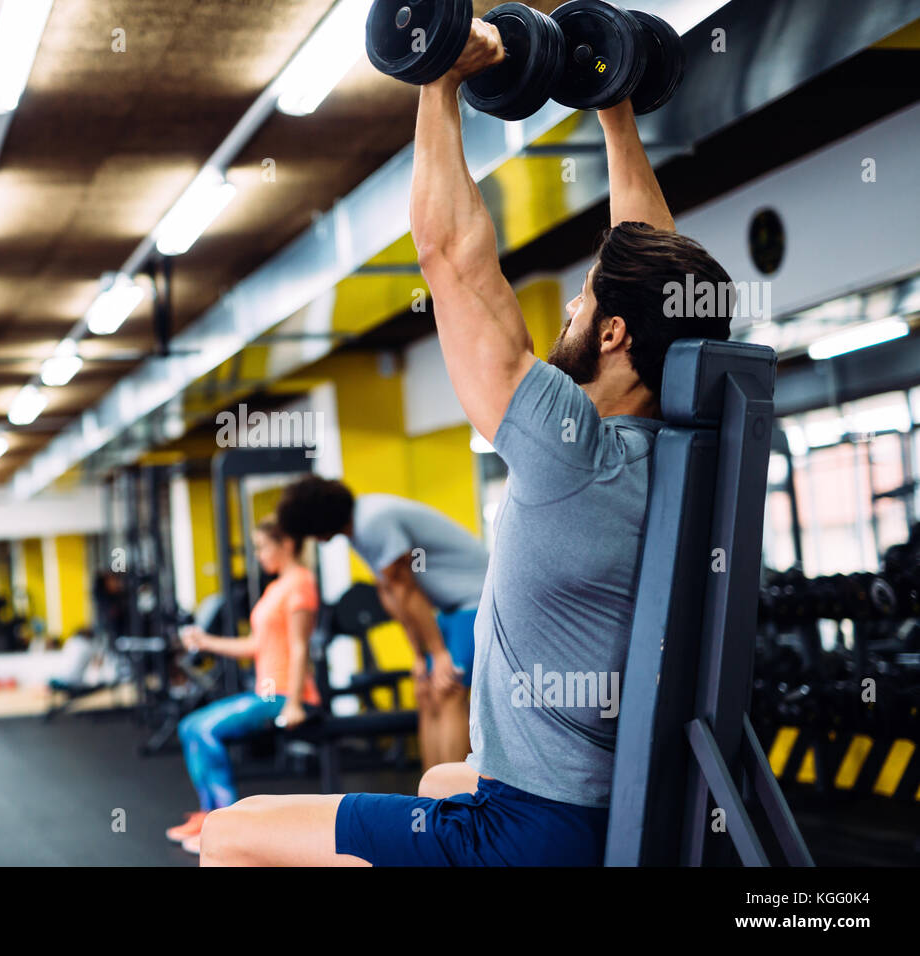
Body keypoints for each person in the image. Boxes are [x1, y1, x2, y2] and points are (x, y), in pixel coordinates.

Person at [198, 20, 734, 866]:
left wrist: (437, 82)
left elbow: (449, 258)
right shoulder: (677, 438)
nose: (567, 312)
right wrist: (613, 107)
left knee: (230, 835)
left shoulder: (574, 452)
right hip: (616, 806)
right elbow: (658, 277)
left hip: (533, 833)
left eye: (582, 304)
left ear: (615, 336)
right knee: (438, 778)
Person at [276, 477, 486, 769]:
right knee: (426, 691)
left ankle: (452, 800)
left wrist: (438, 653)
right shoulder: (357, 532)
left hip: (478, 600)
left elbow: (405, 588)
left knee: (447, 689)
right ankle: (430, 797)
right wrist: (417, 655)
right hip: (449, 609)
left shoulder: (372, 520)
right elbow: (391, 594)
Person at [165, 518, 320, 855]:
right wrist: (205, 641)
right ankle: (210, 816)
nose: (259, 555)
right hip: (266, 692)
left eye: (263, 546)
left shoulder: (300, 583)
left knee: (205, 730)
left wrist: (295, 702)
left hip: (286, 695)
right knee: (189, 726)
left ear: (288, 544)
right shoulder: (275, 587)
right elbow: (255, 646)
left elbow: (299, 646)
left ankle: (230, 826)